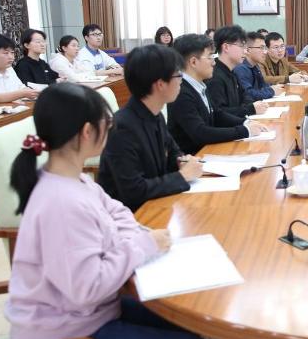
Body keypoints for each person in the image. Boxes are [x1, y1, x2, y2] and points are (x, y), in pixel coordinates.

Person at [6, 83, 214, 339]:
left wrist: (136, 237)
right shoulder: (61, 203)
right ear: (87, 132)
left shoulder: (72, 179)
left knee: (184, 320)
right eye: (106, 122)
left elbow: (117, 213)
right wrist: (143, 245)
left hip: (83, 319)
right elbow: (88, 288)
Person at [97, 44, 203, 212]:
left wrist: (182, 161)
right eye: (178, 75)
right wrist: (182, 176)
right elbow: (134, 191)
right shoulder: (122, 127)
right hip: (129, 216)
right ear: (160, 84)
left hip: (156, 205)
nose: (181, 80)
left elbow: (173, 152)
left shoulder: (155, 114)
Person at [167, 34, 266, 155]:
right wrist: (244, 131)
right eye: (210, 57)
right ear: (193, 62)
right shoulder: (181, 92)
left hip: (208, 151)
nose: (214, 63)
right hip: (194, 157)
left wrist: (245, 122)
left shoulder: (199, 85)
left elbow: (217, 114)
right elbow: (200, 132)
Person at [208, 25, 268, 118]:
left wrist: (254, 105)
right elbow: (220, 113)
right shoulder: (214, 76)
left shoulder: (231, 71)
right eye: (242, 46)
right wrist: (251, 109)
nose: (245, 51)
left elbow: (244, 96)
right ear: (226, 47)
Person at [235, 31, 283, 101]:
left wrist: (273, 88)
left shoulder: (255, 65)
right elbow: (248, 94)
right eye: (261, 48)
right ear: (248, 50)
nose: (265, 52)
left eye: (265, 48)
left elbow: (263, 86)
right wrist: (271, 91)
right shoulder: (241, 68)